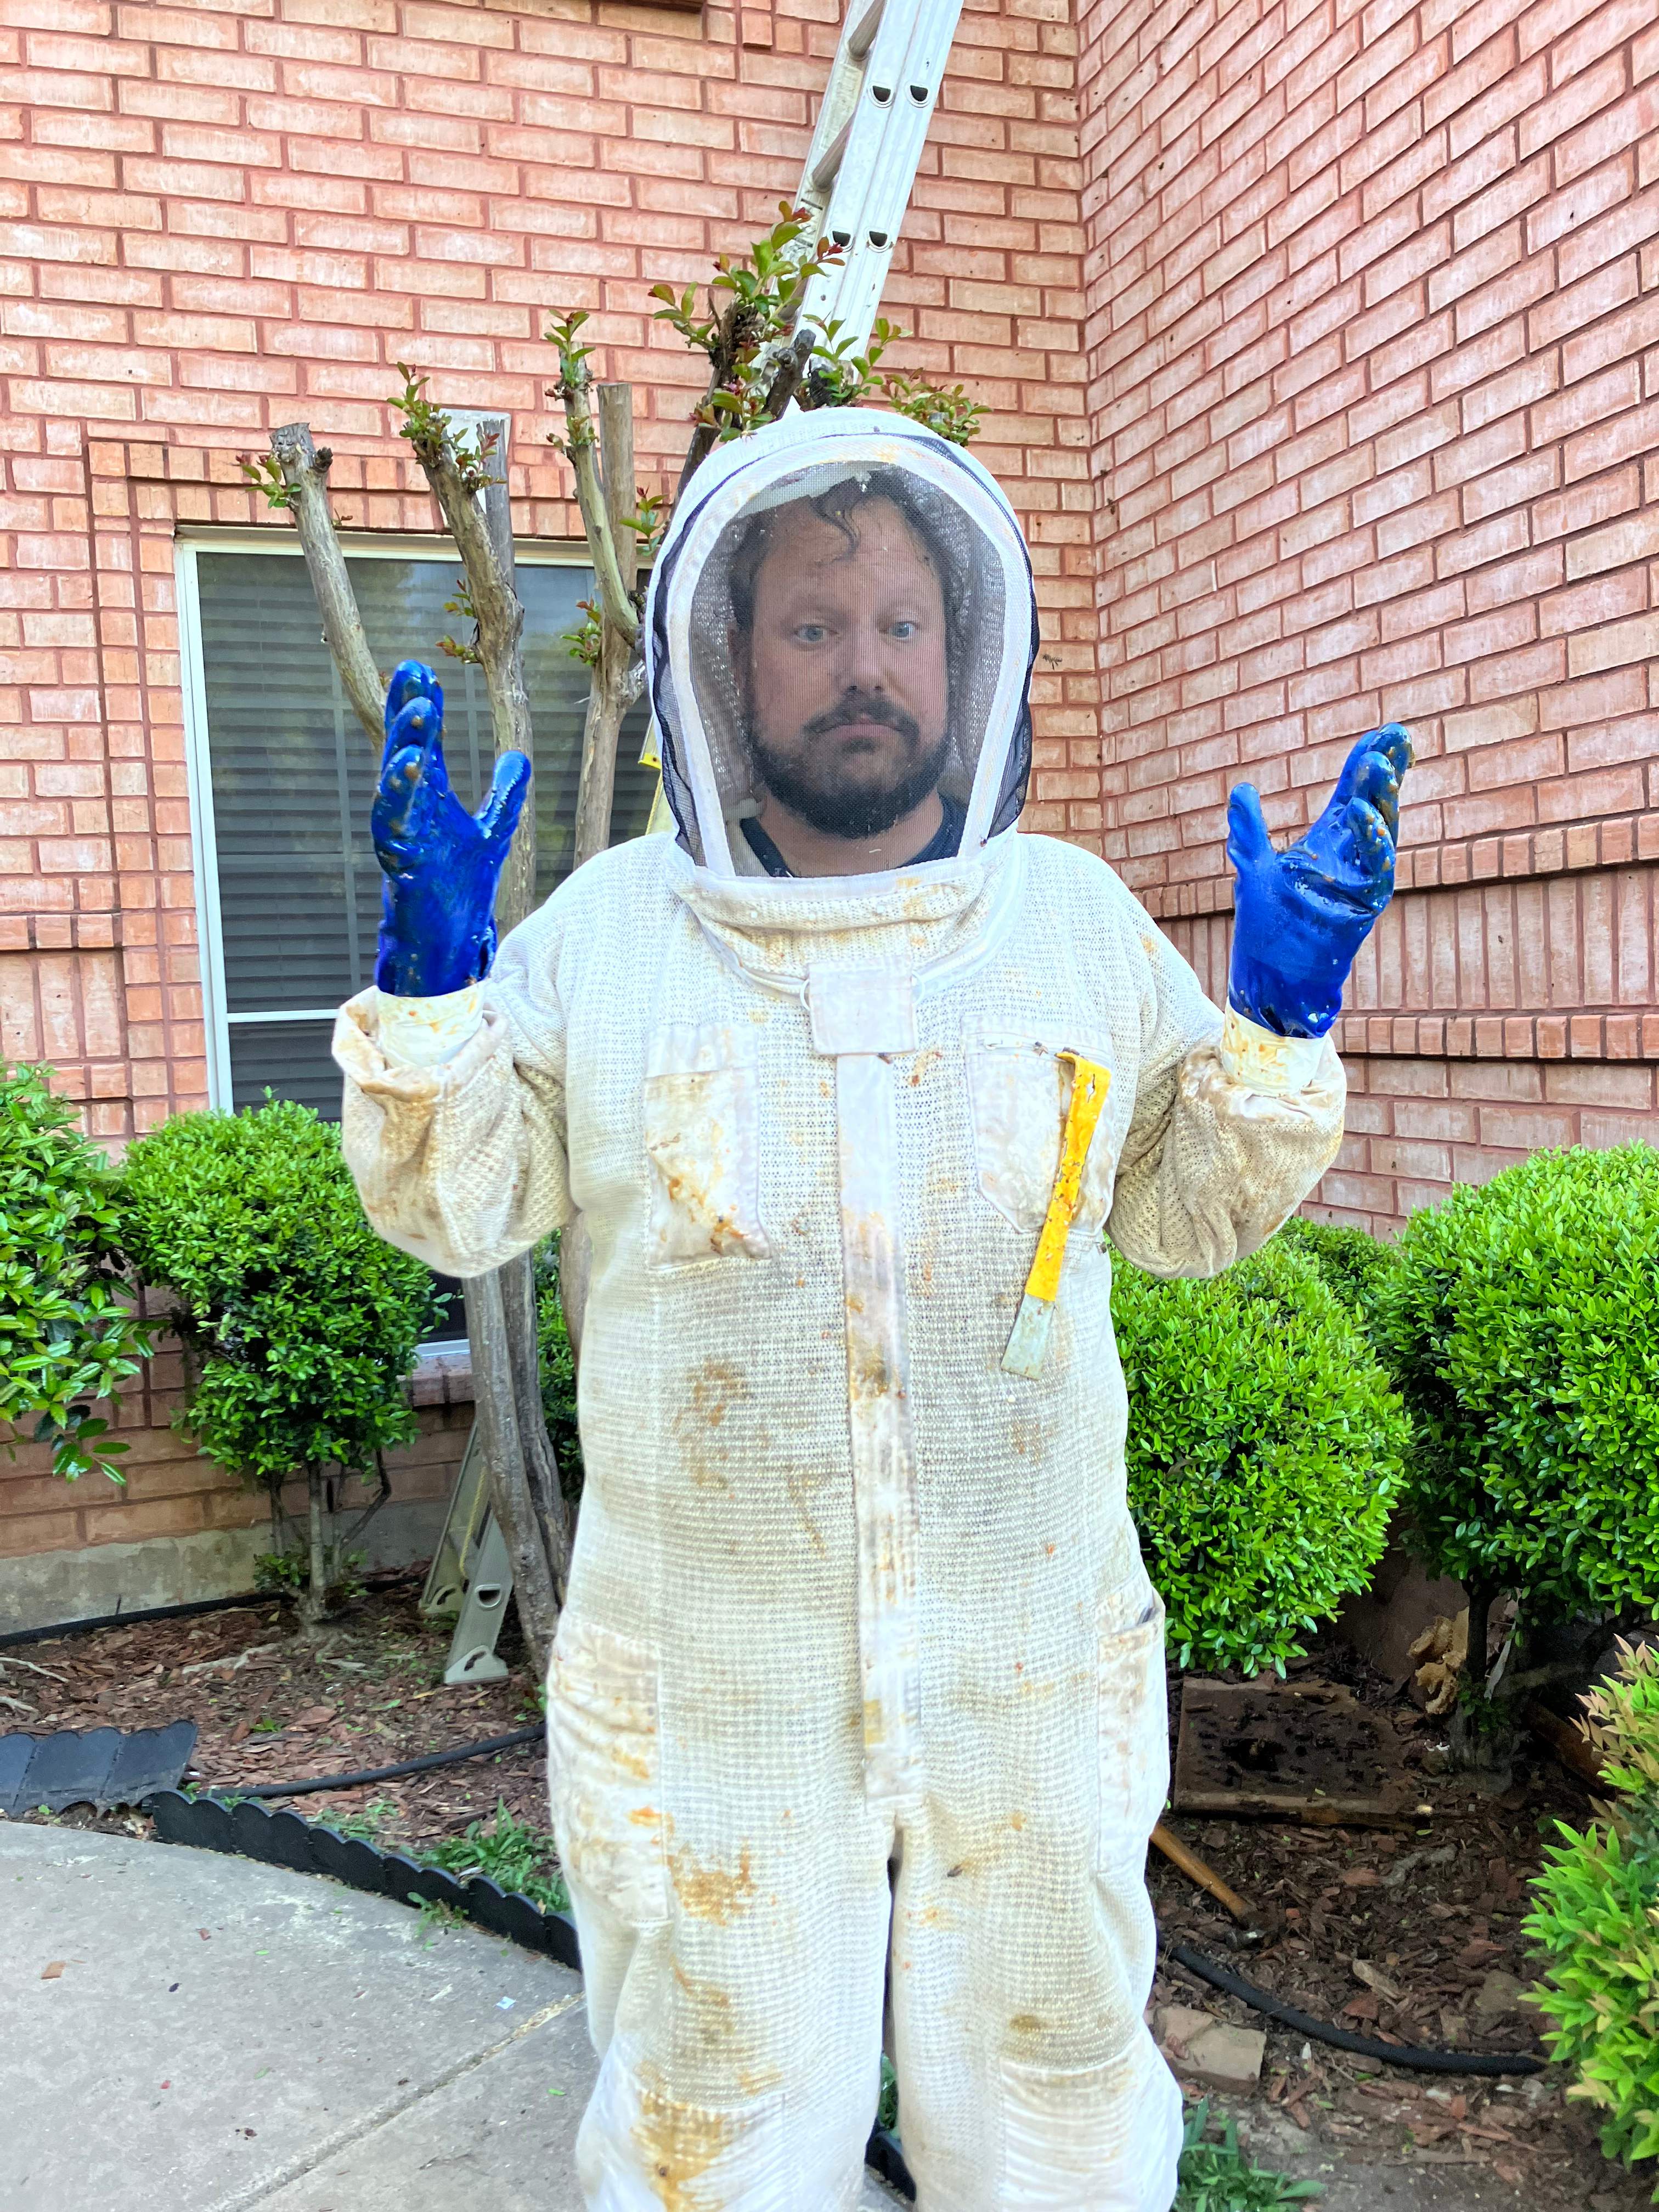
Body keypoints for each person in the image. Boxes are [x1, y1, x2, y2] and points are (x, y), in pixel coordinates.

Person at [335, 408, 1409, 2212]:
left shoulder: (1067, 921)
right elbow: (460, 1202)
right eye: (813, 627)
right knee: (715, 2140)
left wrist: (1278, 1030)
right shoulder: (606, 939)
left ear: (965, 652)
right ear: (731, 665)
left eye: (902, 623)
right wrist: (438, 998)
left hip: (1033, 1668)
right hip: (706, 1687)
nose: (862, 669)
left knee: (1058, 2115)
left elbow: (1181, 1215)